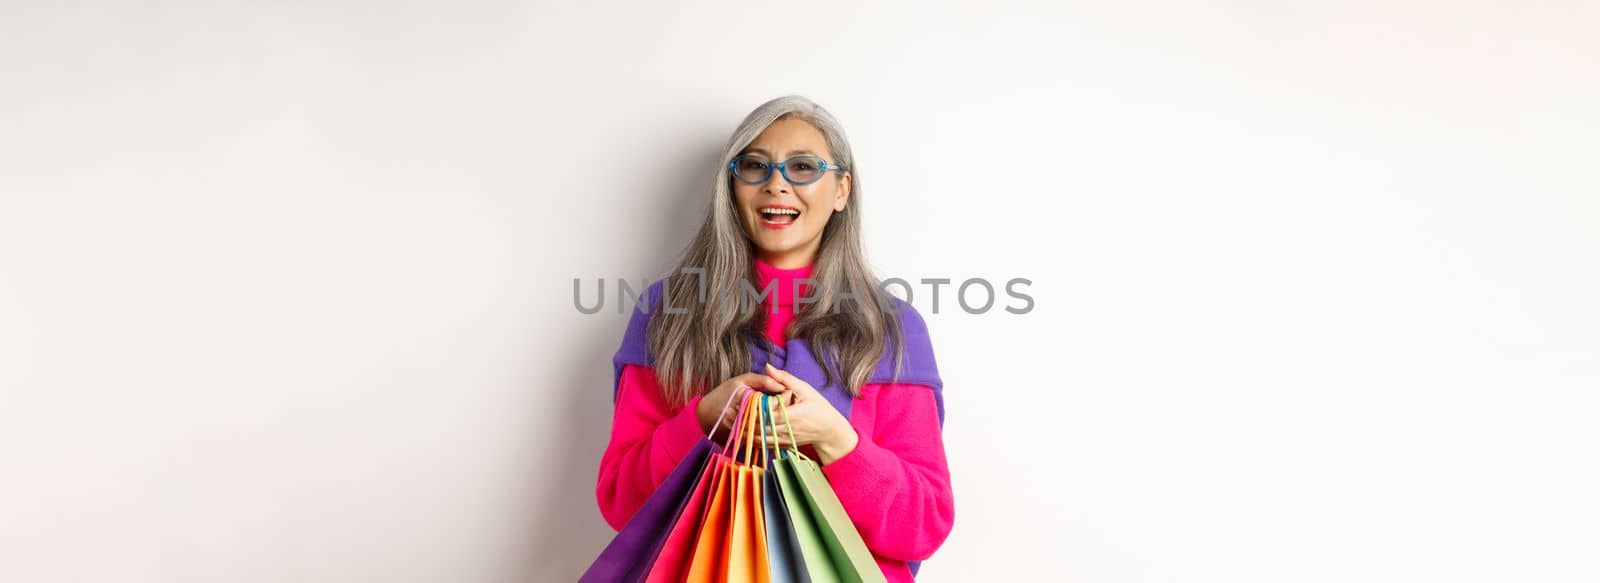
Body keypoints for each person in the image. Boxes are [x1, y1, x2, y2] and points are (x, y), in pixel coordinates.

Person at [595, 95, 954, 581]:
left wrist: (833, 438)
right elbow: (622, 502)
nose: (776, 184)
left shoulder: (890, 327)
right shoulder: (667, 313)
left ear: (842, 189)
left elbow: (924, 523)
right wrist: (704, 416)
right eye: (755, 167)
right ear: (732, 185)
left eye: (803, 166)